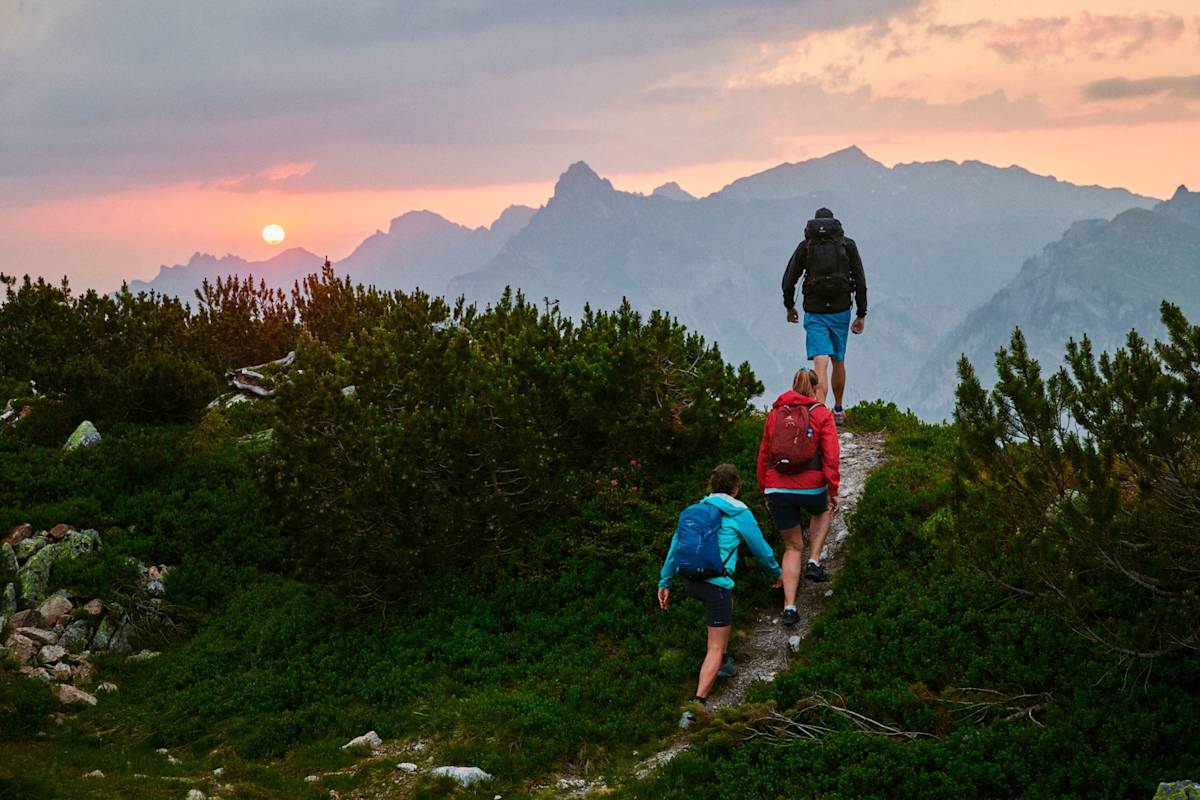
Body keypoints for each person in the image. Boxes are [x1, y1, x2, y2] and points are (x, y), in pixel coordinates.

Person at [658, 464, 782, 724]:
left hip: (690, 581)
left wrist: (664, 581)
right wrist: (775, 572)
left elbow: (674, 547)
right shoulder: (740, 512)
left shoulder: (695, 510)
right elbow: (760, 548)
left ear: (711, 486)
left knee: (723, 611)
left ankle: (724, 664)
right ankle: (696, 707)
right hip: (716, 585)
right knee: (713, 645)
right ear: (737, 487)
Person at [757, 368, 841, 627]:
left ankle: (789, 607)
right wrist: (833, 490)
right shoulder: (821, 413)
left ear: (793, 386)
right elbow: (831, 455)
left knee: (793, 547)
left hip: (777, 488)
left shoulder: (775, 413)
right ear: (815, 389)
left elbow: (764, 454)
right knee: (822, 510)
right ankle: (814, 561)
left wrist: (765, 488)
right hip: (811, 487)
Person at [781, 207, 868, 426]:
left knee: (820, 364)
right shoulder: (847, 245)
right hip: (840, 310)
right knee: (838, 361)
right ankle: (838, 410)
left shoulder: (806, 246)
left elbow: (788, 280)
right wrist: (861, 313)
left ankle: (819, 414)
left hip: (815, 311)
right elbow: (860, 280)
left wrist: (790, 306)